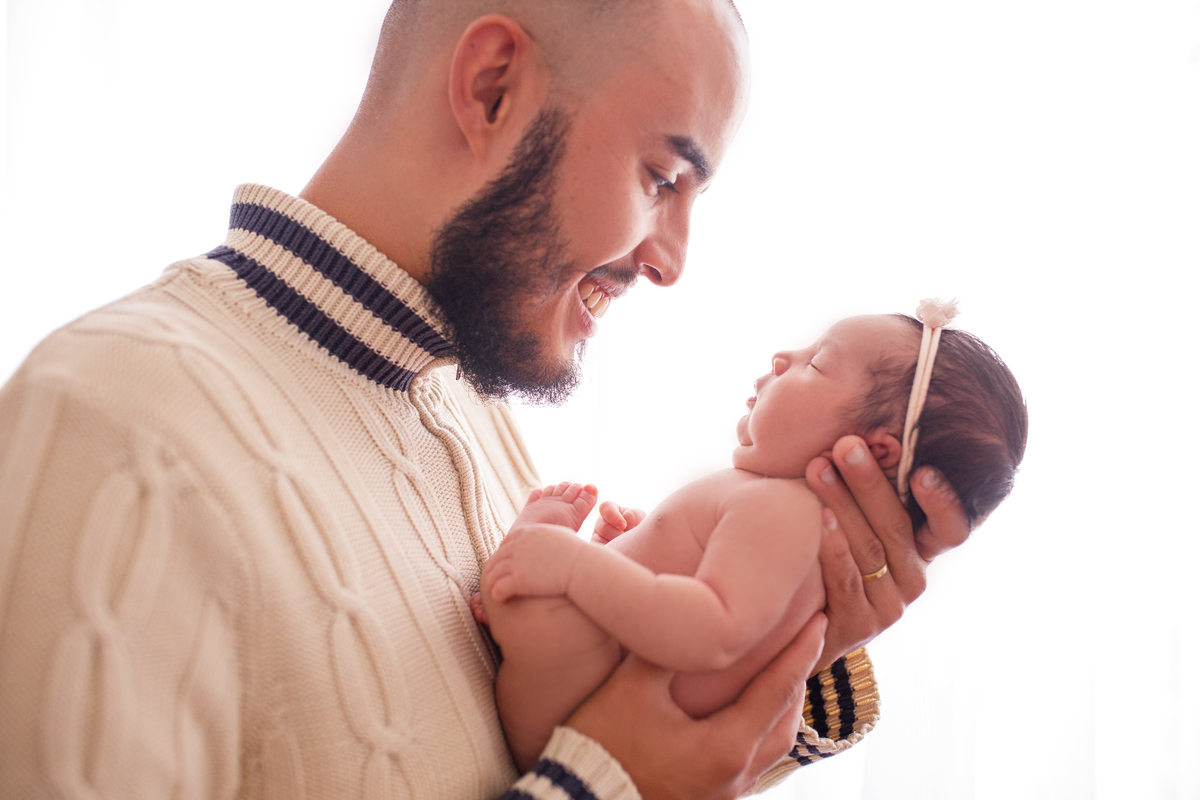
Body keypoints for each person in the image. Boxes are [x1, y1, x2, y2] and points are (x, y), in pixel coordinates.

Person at [0, 2, 970, 798]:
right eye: (661, 178)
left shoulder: (471, 412)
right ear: (492, 87)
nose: (671, 260)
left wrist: (793, 634)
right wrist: (602, 788)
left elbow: (586, 748)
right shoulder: (112, 430)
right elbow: (597, 774)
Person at [480, 307, 1028, 770]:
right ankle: (521, 593)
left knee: (557, 601)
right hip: (599, 715)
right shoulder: (788, 521)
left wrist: (578, 567)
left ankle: (516, 587)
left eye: (817, 363)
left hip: (579, 709)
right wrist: (628, 556)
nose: (783, 357)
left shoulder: (786, 511)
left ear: (873, 450)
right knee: (564, 598)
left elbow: (712, 632)